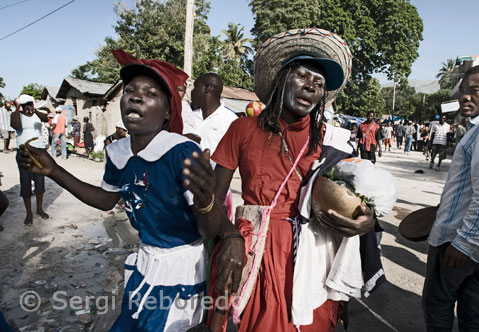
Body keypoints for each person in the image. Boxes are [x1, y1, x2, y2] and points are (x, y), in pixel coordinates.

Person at [183, 28, 377, 332]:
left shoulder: (332, 141)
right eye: (302, 76)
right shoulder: (242, 129)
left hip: (313, 253)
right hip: (257, 247)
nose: (310, 87)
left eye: (319, 83)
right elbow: (216, 201)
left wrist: (367, 221)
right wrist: (229, 233)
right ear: (282, 78)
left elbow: (359, 198)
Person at [17, 49, 222, 331]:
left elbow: (210, 228)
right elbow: (105, 200)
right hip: (146, 263)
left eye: (150, 93)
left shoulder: (181, 152)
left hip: (180, 268)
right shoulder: (118, 152)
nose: (136, 96)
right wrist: (54, 170)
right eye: (130, 91)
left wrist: (206, 201)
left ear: (167, 112)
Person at [422, 62, 479, 332]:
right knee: (475, 310)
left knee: (438, 305)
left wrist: (464, 242)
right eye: (463, 90)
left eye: (475, 90)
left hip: (460, 241)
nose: (465, 96)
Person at [10, 94, 50, 225]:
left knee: (40, 181)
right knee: (25, 181)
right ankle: (29, 213)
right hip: (24, 152)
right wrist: (17, 108)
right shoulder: (16, 115)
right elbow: (16, 126)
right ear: (20, 105)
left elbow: (45, 119)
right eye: (24, 104)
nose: (27, 106)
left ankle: (39, 209)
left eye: (29, 103)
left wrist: (35, 110)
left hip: (39, 151)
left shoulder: (38, 114)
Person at [186, 73, 238, 152]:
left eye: (196, 87)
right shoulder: (189, 116)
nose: (191, 92)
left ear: (207, 88)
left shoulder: (230, 121)